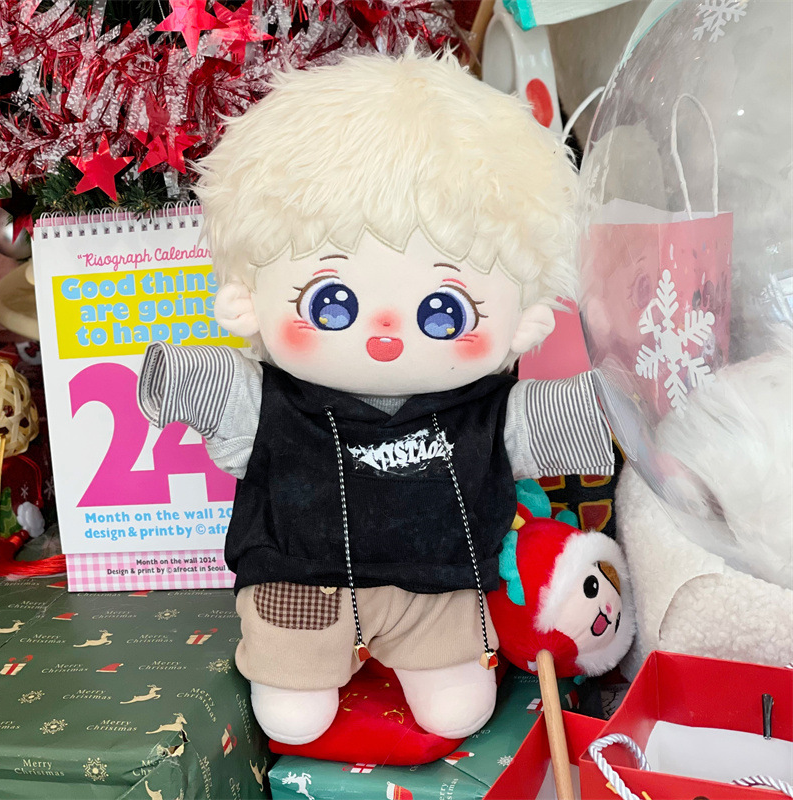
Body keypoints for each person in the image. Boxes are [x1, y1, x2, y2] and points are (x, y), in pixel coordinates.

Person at [138, 49, 613, 745]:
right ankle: (300, 669)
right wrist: (182, 378)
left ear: (521, 318)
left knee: (456, 710)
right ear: (248, 296)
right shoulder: (271, 400)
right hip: (301, 586)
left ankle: (430, 665)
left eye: (443, 312)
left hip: (439, 592)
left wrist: (633, 401)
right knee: (293, 715)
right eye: (332, 302)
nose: (385, 332)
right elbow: (208, 386)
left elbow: (568, 417)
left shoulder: (485, 410)